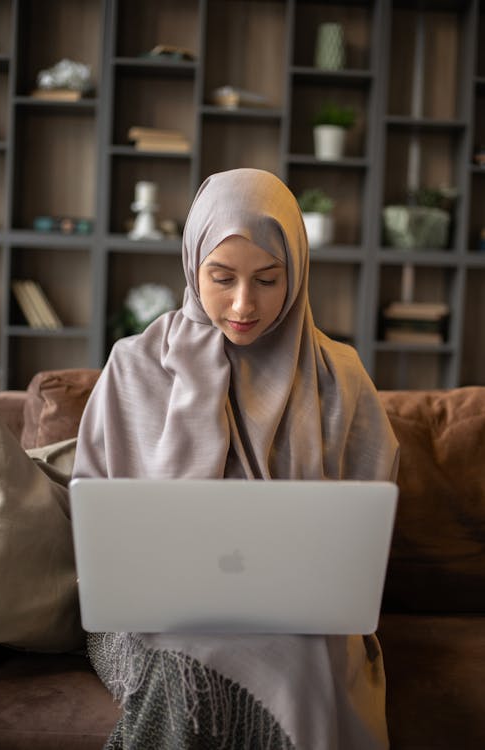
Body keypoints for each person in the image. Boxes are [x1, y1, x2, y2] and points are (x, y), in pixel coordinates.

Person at [73, 168, 399, 749]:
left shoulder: (340, 376)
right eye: (221, 278)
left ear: (296, 274)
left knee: (294, 658)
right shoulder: (133, 365)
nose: (244, 304)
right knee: (188, 666)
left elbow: (363, 536)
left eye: (268, 280)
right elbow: (97, 521)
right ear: (191, 265)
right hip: (146, 623)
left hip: (299, 621)